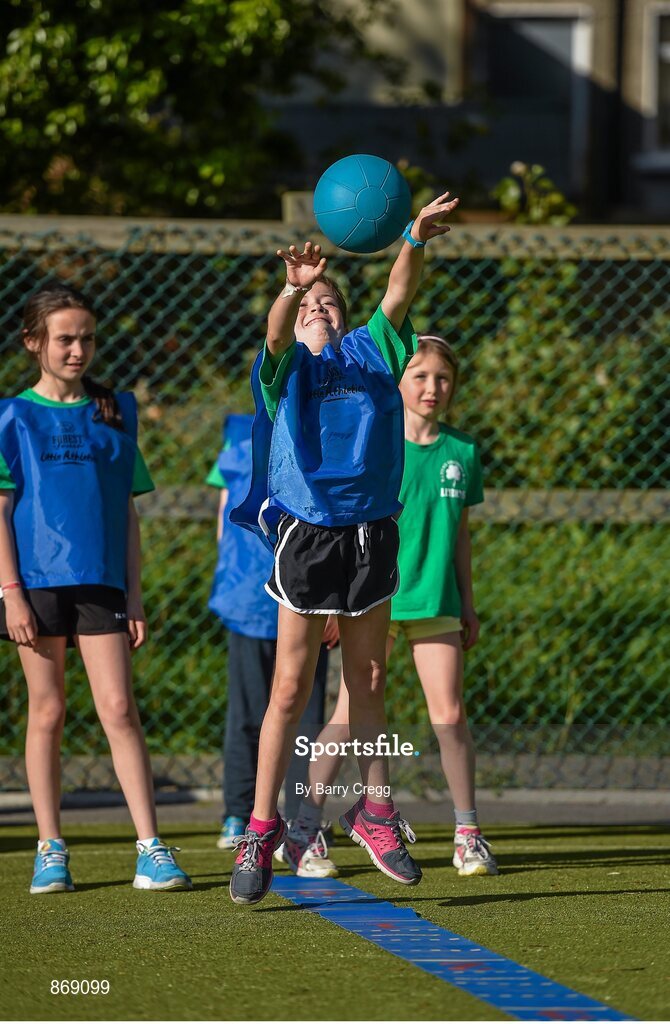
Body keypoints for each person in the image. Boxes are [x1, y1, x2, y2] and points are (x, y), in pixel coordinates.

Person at [228, 190, 459, 904]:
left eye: (327, 302)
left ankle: (376, 812)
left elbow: (397, 290)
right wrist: (289, 291)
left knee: (369, 683)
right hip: (309, 536)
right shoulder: (287, 370)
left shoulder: (371, 350)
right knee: (291, 688)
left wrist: (413, 238)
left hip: (371, 534)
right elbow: (270, 335)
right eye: (308, 308)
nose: (318, 310)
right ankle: (261, 828)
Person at [0, 284, 191, 894]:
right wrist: (9, 591)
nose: (77, 349)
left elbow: (129, 515)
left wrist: (134, 594)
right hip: (34, 585)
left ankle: (151, 849)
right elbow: (0, 511)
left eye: (86, 338)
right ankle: (50, 848)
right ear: (34, 343)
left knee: (118, 710)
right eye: (64, 339)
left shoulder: (116, 411)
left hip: (102, 583)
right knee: (47, 711)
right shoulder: (12, 416)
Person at [285, 333, 498, 878]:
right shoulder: (378, 442)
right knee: (346, 714)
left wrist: (467, 602)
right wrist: (334, 602)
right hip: (372, 594)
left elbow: (463, 537)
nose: (432, 387)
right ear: (398, 380)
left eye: (442, 378)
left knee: (449, 714)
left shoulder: (462, 453)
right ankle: (306, 829)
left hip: (434, 597)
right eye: (420, 375)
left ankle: (468, 833)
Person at [206, 413, 337, 858]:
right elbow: (224, 518)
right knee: (247, 713)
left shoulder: (327, 423)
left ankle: (303, 819)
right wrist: (227, 585)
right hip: (250, 599)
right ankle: (240, 814)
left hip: (308, 597)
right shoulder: (239, 435)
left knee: (306, 717)